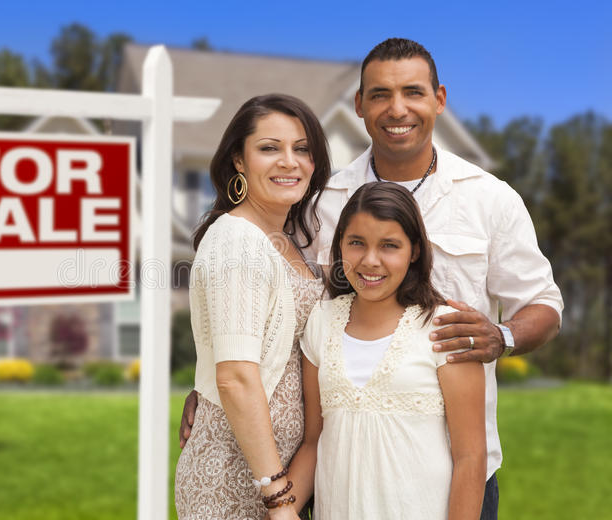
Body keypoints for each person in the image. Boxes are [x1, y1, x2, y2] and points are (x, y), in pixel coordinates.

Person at [179, 38, 564, 519]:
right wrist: (215, 384)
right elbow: (271, 302)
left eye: (413, 92)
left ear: (439, 99)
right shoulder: (320, 201)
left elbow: (544, 303)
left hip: (459, 470)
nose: (396, 108)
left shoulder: (490, 198)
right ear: (359, 105)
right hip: (336, 471)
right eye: (379, 94)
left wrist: (501, 336)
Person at [173, 93, 331, 520]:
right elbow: (237, 377)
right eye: (269, 148)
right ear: (238, 162)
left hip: (279, 475)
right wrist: (278, 499)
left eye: (302, 149)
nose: (289, 161)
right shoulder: (237, 240)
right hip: (236, 475)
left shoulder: (287, 241)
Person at [291, 181, 486, 519]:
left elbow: (471, 457)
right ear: (339, 247)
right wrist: (280, 508)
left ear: (414, 251)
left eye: (389, 246)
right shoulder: (321, 322)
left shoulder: (445, 329)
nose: (370, 261)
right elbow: (313, 442)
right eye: (356, 243)